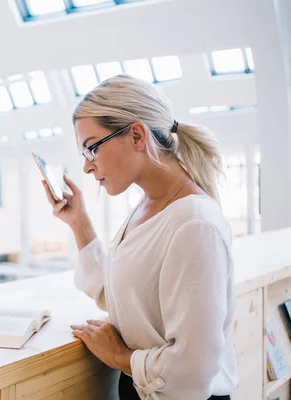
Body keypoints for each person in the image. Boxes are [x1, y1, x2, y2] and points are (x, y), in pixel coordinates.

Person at [41, 75, 238, 400]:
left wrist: (119, 356)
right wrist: (79, 222)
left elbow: (193, 370)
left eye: (92, 148)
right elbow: (121, 295)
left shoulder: (194, 224)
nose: (88, 168)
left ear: (136, 134)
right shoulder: (150, 206)